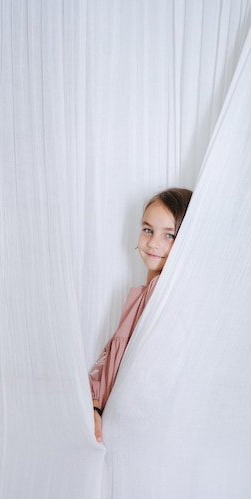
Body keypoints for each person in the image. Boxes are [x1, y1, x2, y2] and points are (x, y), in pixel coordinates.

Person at [89, 187, 193, 442]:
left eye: (169, 235)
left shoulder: (165, 296)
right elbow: (111, 361)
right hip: (107, 418)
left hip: (135, 430)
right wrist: (94, 406)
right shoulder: (142, 295)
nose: (153, 242)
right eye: (148, 230)